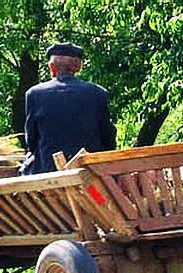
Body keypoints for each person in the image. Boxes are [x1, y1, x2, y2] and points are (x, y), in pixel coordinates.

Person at [21, 42, 116, 175]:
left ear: (52, 67)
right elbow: (108, 137)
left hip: (48, 175)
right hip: (91, 175)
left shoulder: (34, 94)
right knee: (98, 194)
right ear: (78, 68)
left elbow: (31, 140)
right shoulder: (98, 93)